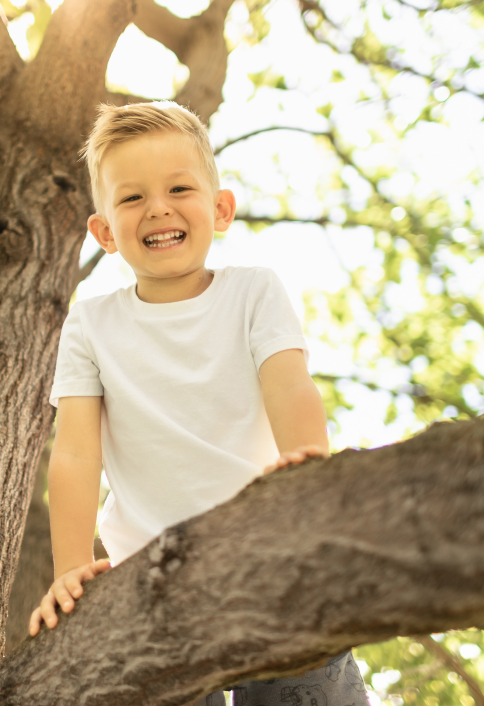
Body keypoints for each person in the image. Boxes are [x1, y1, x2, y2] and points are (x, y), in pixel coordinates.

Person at [30, 102, 368, 705]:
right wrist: (70, 570)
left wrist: (309, 482)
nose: (158, 207)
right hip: (152, 583)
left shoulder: (253, 291)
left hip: (271, 555)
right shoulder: (90, 324)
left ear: (220, 209)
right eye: (131, 199)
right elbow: (77, 455)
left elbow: (289, 385)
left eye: (179, 188)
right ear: (105, 232)